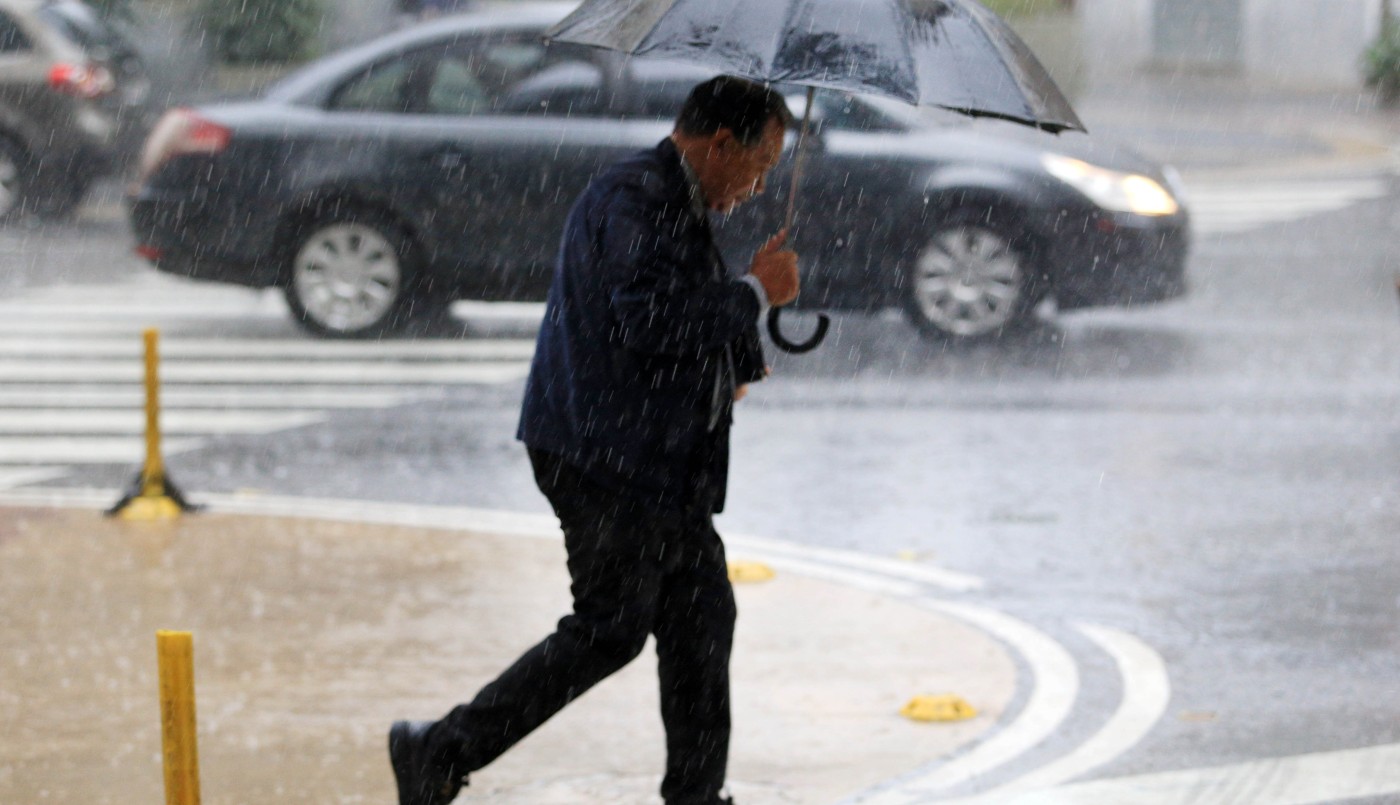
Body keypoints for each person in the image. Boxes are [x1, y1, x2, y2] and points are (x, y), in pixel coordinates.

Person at [388, 75, 799, 805]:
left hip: (655, 460)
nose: (761, 186)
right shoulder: (635, 196)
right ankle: (439, 746)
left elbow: (665, 314)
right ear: (720, 143)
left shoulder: (677, 198)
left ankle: (695, 795)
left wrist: (738, 356)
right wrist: (756, 292)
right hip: (605, 454)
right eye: (759, 165)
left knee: (701, 618)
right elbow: (649, 320)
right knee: (612, 626)